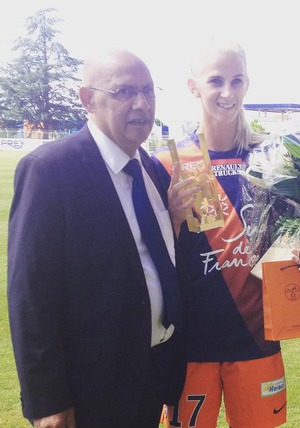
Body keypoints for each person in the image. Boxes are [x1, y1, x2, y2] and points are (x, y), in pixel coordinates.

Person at [153, 38, 300, 428]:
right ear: (193, 86)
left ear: (247, 83)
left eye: (237, 80)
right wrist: (175, 218)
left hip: (257, 340)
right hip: (189, 345)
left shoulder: (273, 160)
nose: (227, 92)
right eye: (215, 81)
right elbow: (147, 255)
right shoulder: (167, 163)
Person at [8, 49, 186, 428]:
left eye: (149, 91)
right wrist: (47, 400)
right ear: (87, 99)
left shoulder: (152, 169)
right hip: (91, 387)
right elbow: (31, 294)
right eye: (124, 91)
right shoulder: (50, 171)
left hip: (152, 371)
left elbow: (151, 259)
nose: (142, 104)